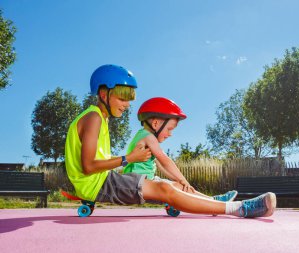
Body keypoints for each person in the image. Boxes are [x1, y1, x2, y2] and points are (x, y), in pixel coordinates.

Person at [65, 64, 276, 218]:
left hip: (100, 181)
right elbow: (89, 166)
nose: (127, 105)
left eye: (129, 100)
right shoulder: (93, 118)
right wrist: (129, 158)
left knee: (170, 187)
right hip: (96, 184)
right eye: (122, 99)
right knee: (166, 189)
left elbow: (95, 161)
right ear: (104, 93)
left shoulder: (98, 118)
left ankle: (213, 203)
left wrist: (127, 160)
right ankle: (240, 209)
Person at [122, 97, 237, 202]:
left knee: (179, 186)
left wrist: (179, 180)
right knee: (179, 188)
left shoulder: (142, 136)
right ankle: (213, 202)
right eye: (169, 129)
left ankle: (211, 200)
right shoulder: (149, 137)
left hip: (142, 181)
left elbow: (161, 167)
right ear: (156, 124)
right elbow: (165, 161)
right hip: (137, 183)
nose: (170, 134)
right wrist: (183, 180)